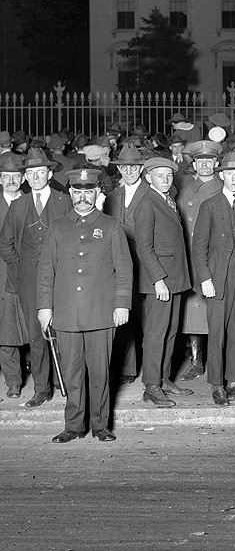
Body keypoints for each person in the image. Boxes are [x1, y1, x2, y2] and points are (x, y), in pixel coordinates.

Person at [36, 168, 133, 442]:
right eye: (77, 192)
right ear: (70, 193)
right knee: (72, 373)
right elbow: (46, 271)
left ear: (97, 193)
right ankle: (74, 426)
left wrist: (121, 304)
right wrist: (45, 307)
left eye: (88, 191)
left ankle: (101, 425)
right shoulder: (57, 226)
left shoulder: (112, 226)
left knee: (100, 373)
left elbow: (124, 270)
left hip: (101, 313)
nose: (82, 197)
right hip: (65, 313)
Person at [0, 147, 71, 407]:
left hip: (61, 278)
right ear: (26, 178)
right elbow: (5, 243)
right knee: (36, 334)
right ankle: (41, 389)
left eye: (41, 172)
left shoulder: (64, 202)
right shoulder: (19, 206)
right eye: (31, 173)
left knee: (64, 331)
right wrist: (22, 268)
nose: (36, 177)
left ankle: (67, 383)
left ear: (50, 173)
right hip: (29, 281)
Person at [192, 151, 235, 406]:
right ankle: (217, 384)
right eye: (230, 173)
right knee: (217, 332)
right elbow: (199, 247)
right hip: (218, 277)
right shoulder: (210, 205)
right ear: (221, 176)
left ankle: (234, 382)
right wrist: (205, 278)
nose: (234, 178)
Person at [134, 157, 193, 407]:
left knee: (170, 332)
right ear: (148, 178)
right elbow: (144, 248)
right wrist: (158, 280)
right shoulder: (146, 204)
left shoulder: (167, 199)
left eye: (169, 175)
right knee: (156, 333)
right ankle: (151, 385)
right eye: (160, 175)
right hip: (160, 280)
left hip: (175, 277)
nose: (166, 179)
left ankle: (164, 377)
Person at [176, 139, 224, 382]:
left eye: (209, 160)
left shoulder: (224, 187)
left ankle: (217, 361)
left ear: (216, 163)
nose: (204, 164)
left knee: (215, 310)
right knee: (193, 310)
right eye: (200, 160)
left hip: (215, 256)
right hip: (192, 256)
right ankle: (196, 361)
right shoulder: (185, 191)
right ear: (194, 164)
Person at [103, 141, 149, 385]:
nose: (129, 171)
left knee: (149, 321)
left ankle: (153, 373)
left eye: (134, 167)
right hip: (120, 265)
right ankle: (128, 369)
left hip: (145, 262)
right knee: (124, 315)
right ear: (119, 169)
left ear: (141, 169)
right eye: (124, 167)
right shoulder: (112, 196)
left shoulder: (152, 194)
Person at [0, 153, 27, 398]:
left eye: (15, 177)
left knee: (33, 326)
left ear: (22, 178)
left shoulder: (31, 202)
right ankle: (13, 381)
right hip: (1, 276)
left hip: (29, 273)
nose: (11, 181)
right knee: (6, 329)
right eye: (6, 177)